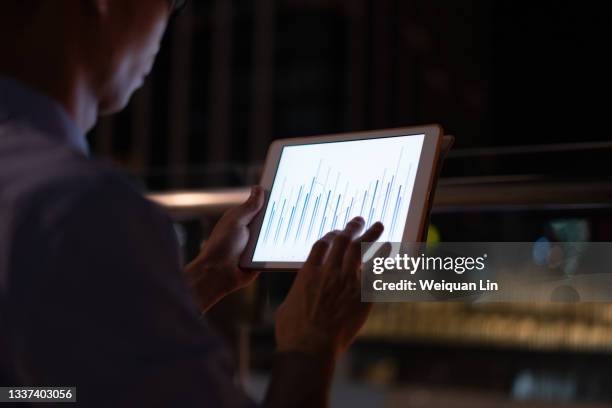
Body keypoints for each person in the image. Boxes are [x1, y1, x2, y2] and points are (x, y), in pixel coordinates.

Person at [0, 1, 385, 406]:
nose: (168, 22)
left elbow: (51, 383)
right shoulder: (83, 204)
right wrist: (312, 342)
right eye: (171, 3)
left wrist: (207, 275)